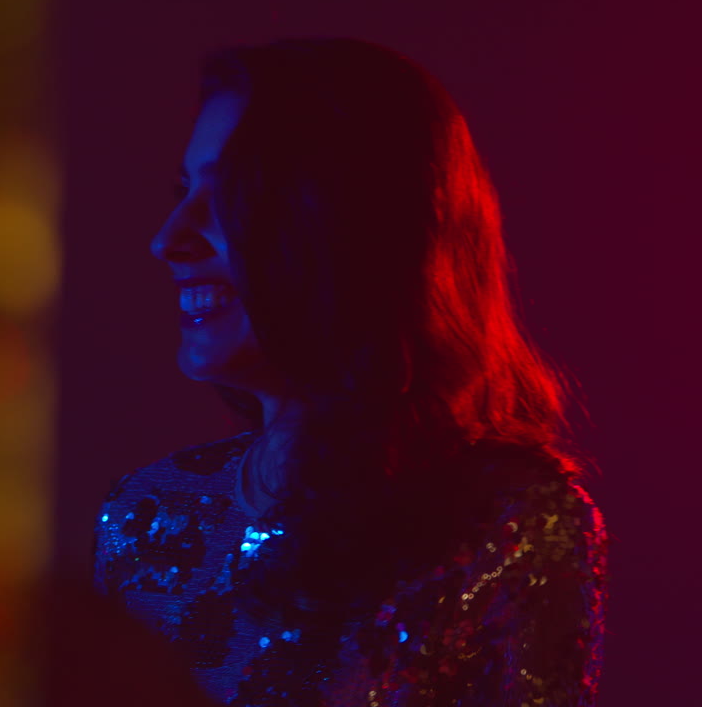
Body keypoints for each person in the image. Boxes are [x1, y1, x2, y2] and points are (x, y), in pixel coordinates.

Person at [91, 38, 608, 707]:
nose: (169, 239)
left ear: (349, 221)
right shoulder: (146, 516)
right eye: (183, 192)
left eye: (231, 197)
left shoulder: (509, 525)